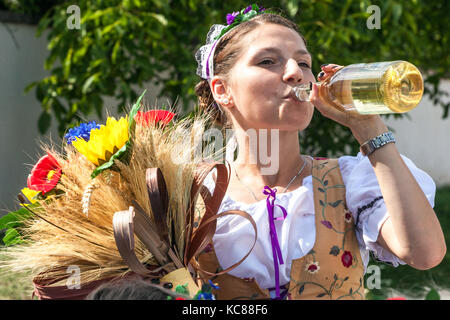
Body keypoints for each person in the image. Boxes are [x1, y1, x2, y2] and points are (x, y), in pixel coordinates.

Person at [193, 4, 446, 300]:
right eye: (268, 61)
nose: (294, 73)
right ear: (222, 90)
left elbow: (424, 253)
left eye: (303, 63)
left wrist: (368, 128)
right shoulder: (192, 194)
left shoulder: (348, 181)